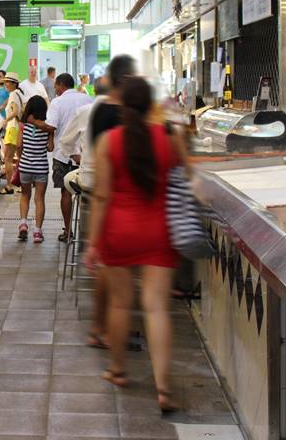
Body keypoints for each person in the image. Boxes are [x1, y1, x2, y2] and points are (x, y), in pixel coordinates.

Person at [85, 76, 185, 414]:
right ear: (151, 105)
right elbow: (186, 176)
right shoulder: (170, 139)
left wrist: (94, 243)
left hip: (119, 231)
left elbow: (101, 196)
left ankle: (118, 369)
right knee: (156, 308)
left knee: (120, 305)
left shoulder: (109, 141)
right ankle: (164, 387)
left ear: (123, 106)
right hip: (158, 230)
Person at [79, 56, 136, 351]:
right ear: (124, 80)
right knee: (109, 267)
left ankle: (104, 327)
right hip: (110, 196)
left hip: (107, 195)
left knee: (109, 265)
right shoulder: (113, 111)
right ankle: (103, 328)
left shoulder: (103, 107)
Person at [32, 73, 91, 241]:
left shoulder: (57, 102)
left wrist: (33, 121)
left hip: (63, 154)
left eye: (56, 86)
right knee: (86, 193)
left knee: (66, 192)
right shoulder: (87, 99)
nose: (55, 89)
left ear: (60, 85)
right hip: (84, 154)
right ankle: (86, 232)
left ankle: (68, 231)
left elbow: (50, 126)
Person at [17, 96, 53, 244]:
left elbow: (19, 145)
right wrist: (50, 135)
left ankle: (23, 224)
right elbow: (50, 148)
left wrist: (21, 159)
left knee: (25, 195)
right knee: (39, 199)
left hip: (25, 166)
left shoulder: (23, 126)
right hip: (41, 167)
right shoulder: (47, 128)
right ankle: (37, 232)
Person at [0, 72, 22, 195]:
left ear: (14, 83)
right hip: (18, 128)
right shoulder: (18, 94)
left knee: (8, 159)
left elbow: (15, 111)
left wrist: (6, 120)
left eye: (7, 82)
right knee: (19, 158)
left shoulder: (13, 94)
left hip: (12, 128)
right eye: (5, 82)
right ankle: (20, 184)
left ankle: (9, 186)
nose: (5, 84)